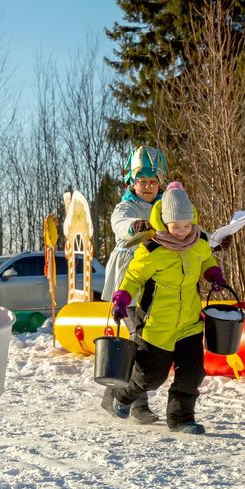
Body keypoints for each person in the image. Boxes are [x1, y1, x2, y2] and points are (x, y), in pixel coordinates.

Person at [104, 182, 227, 434]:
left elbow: (206, 259)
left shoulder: (198, 242)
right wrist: (121, 299)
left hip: (189, 323)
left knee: (192, 372)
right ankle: (120, 395)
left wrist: (213, 275)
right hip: (156, 325)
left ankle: (181, 418)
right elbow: (133, 277)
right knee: (150, 377)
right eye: (175, 226)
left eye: (186, 225)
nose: (182, 231)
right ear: (164, 222)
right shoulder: (152, 249)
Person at [101, 146, 167, 423]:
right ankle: (136, 403)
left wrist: (212, 241)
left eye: (153, 181)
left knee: (143, 340)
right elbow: (120, 222)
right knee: (138, 340)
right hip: (127, 284)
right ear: (132, 181)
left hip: (155, 282)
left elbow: (184, 227)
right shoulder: (126, 206)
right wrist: (135, 226)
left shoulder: (166, 206)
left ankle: (112, 392)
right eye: (143, 181)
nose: (149, 186)